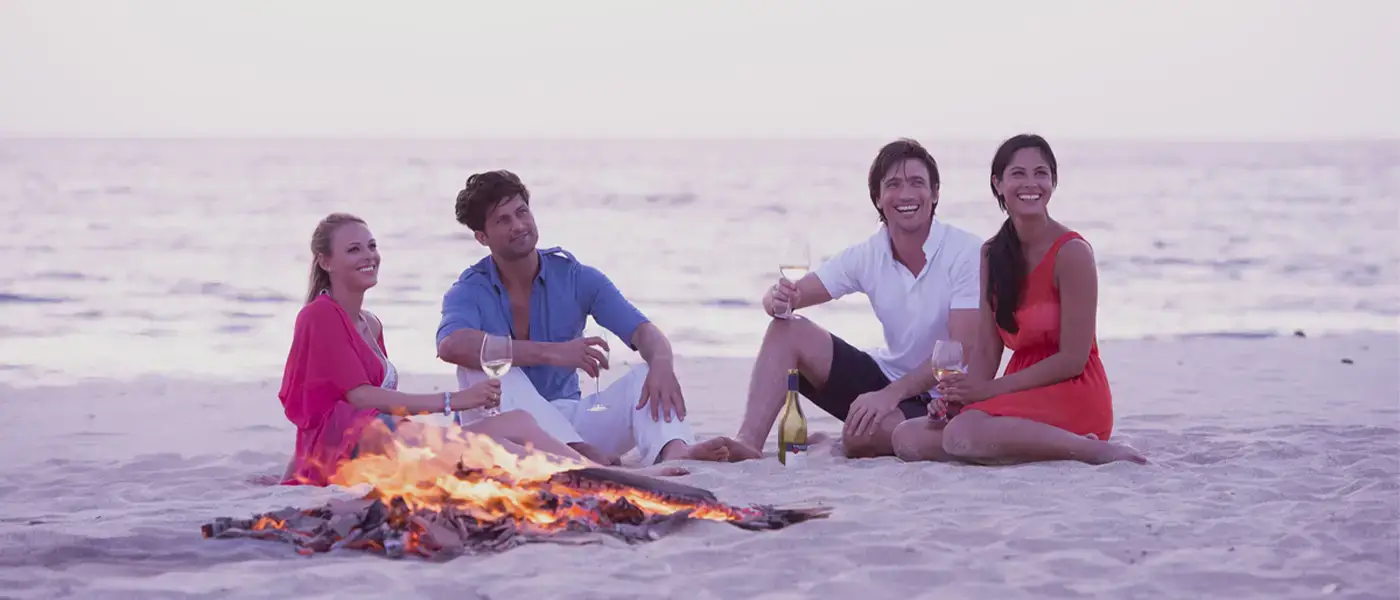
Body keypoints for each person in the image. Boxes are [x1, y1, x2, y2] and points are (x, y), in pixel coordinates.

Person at [277, 212, 647, 487]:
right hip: (352, 440)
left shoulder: (370, 323)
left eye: (372, 246)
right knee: (498, 454)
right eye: (353, 249)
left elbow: (375, 400)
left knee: (518, 422)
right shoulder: (320, 315)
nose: (368, 256)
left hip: (383, 430)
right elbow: (359, 398)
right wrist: (456, 400)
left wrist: (448, 413)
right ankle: (589, 481)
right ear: (326, 262)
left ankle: (594, 472)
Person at [435, 170, 755, 466]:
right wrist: (552, 352)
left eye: (522, 212)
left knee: (646, 372)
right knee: (489, 365)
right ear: (482, 237)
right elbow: (451, 346)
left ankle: (674, 451)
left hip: (571, 422)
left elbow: (643, 332)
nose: (518, 225)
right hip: (503, 434)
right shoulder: (469, 289)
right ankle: (574, 453)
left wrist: (663, 364)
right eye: (503, 220)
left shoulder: (576, 278)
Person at [717, 138, 984, 459]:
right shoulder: (868, 254)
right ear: (878, 197)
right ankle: (748, 442)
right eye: (893, 185)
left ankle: (836, 442)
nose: (906, 194)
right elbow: (792, 297)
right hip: (886, 377)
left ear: (935, 193)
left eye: (917, 183)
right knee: (787, 329)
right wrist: (774, 299)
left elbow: (959, 351)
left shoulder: (965, 252)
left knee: (864, 438)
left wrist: (889, 396)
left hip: (942, 393)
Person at [889, 134, 1146, 465]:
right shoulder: (991, 254)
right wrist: (963, 399)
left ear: (1053, 182)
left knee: (962, 434)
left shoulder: (1072, 253)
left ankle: (1093, 449)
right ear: (998, 184)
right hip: (1015, 390)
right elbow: (987, 349)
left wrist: (987, 393)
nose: (1031, 183)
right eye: (1018, 174)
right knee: (908, 437)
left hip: (1071, 389)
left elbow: (1073, 359)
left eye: (1041, 173)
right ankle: (1021, 446)